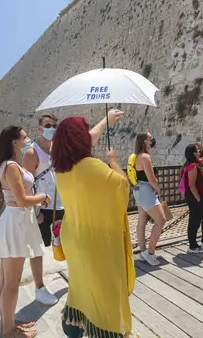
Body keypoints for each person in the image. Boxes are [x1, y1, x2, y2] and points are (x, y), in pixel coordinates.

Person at [52, 114, 134, 338]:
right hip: (96, 242)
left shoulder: (61, 169)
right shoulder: (93, 167)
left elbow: (89, 137)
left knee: (81, 284)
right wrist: (113, 162)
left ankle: (73, 324)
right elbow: (122, 187)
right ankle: (106, 330)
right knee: (105, 290)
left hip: (73, 236)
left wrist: (105, 121)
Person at [0, 126, 51, 338]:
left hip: (14, 221)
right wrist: (42, 197)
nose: (28, 139)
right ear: (14, 142)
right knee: (11, 284)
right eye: (24, 137)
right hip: (17, 223)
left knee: (5, 280)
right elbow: (22, 200)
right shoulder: (12, 167)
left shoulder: (7, 165)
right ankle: (8, 331)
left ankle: (8, 323)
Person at [21, 114, 61, 306]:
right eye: (48, 125)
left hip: (59, 204)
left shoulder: (56, 149)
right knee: (37, 248)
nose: (51, 128)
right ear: (39, 128)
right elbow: (26, 185)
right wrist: (35, 212)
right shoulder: (32, 153)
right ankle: (39, 287)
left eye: (54, 125)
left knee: (67, 241)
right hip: (41, 207)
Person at [132, 132, 166, 266]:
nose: (152, 139)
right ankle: (150, 253)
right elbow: (151, 179)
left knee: (142, 222)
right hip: (146, 190)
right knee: (160, 220)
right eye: (150, 138)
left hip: (138, 190)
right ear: (145, 141)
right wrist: (159, 191)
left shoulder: (137, 157)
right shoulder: (145, 157)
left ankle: (143, 252)